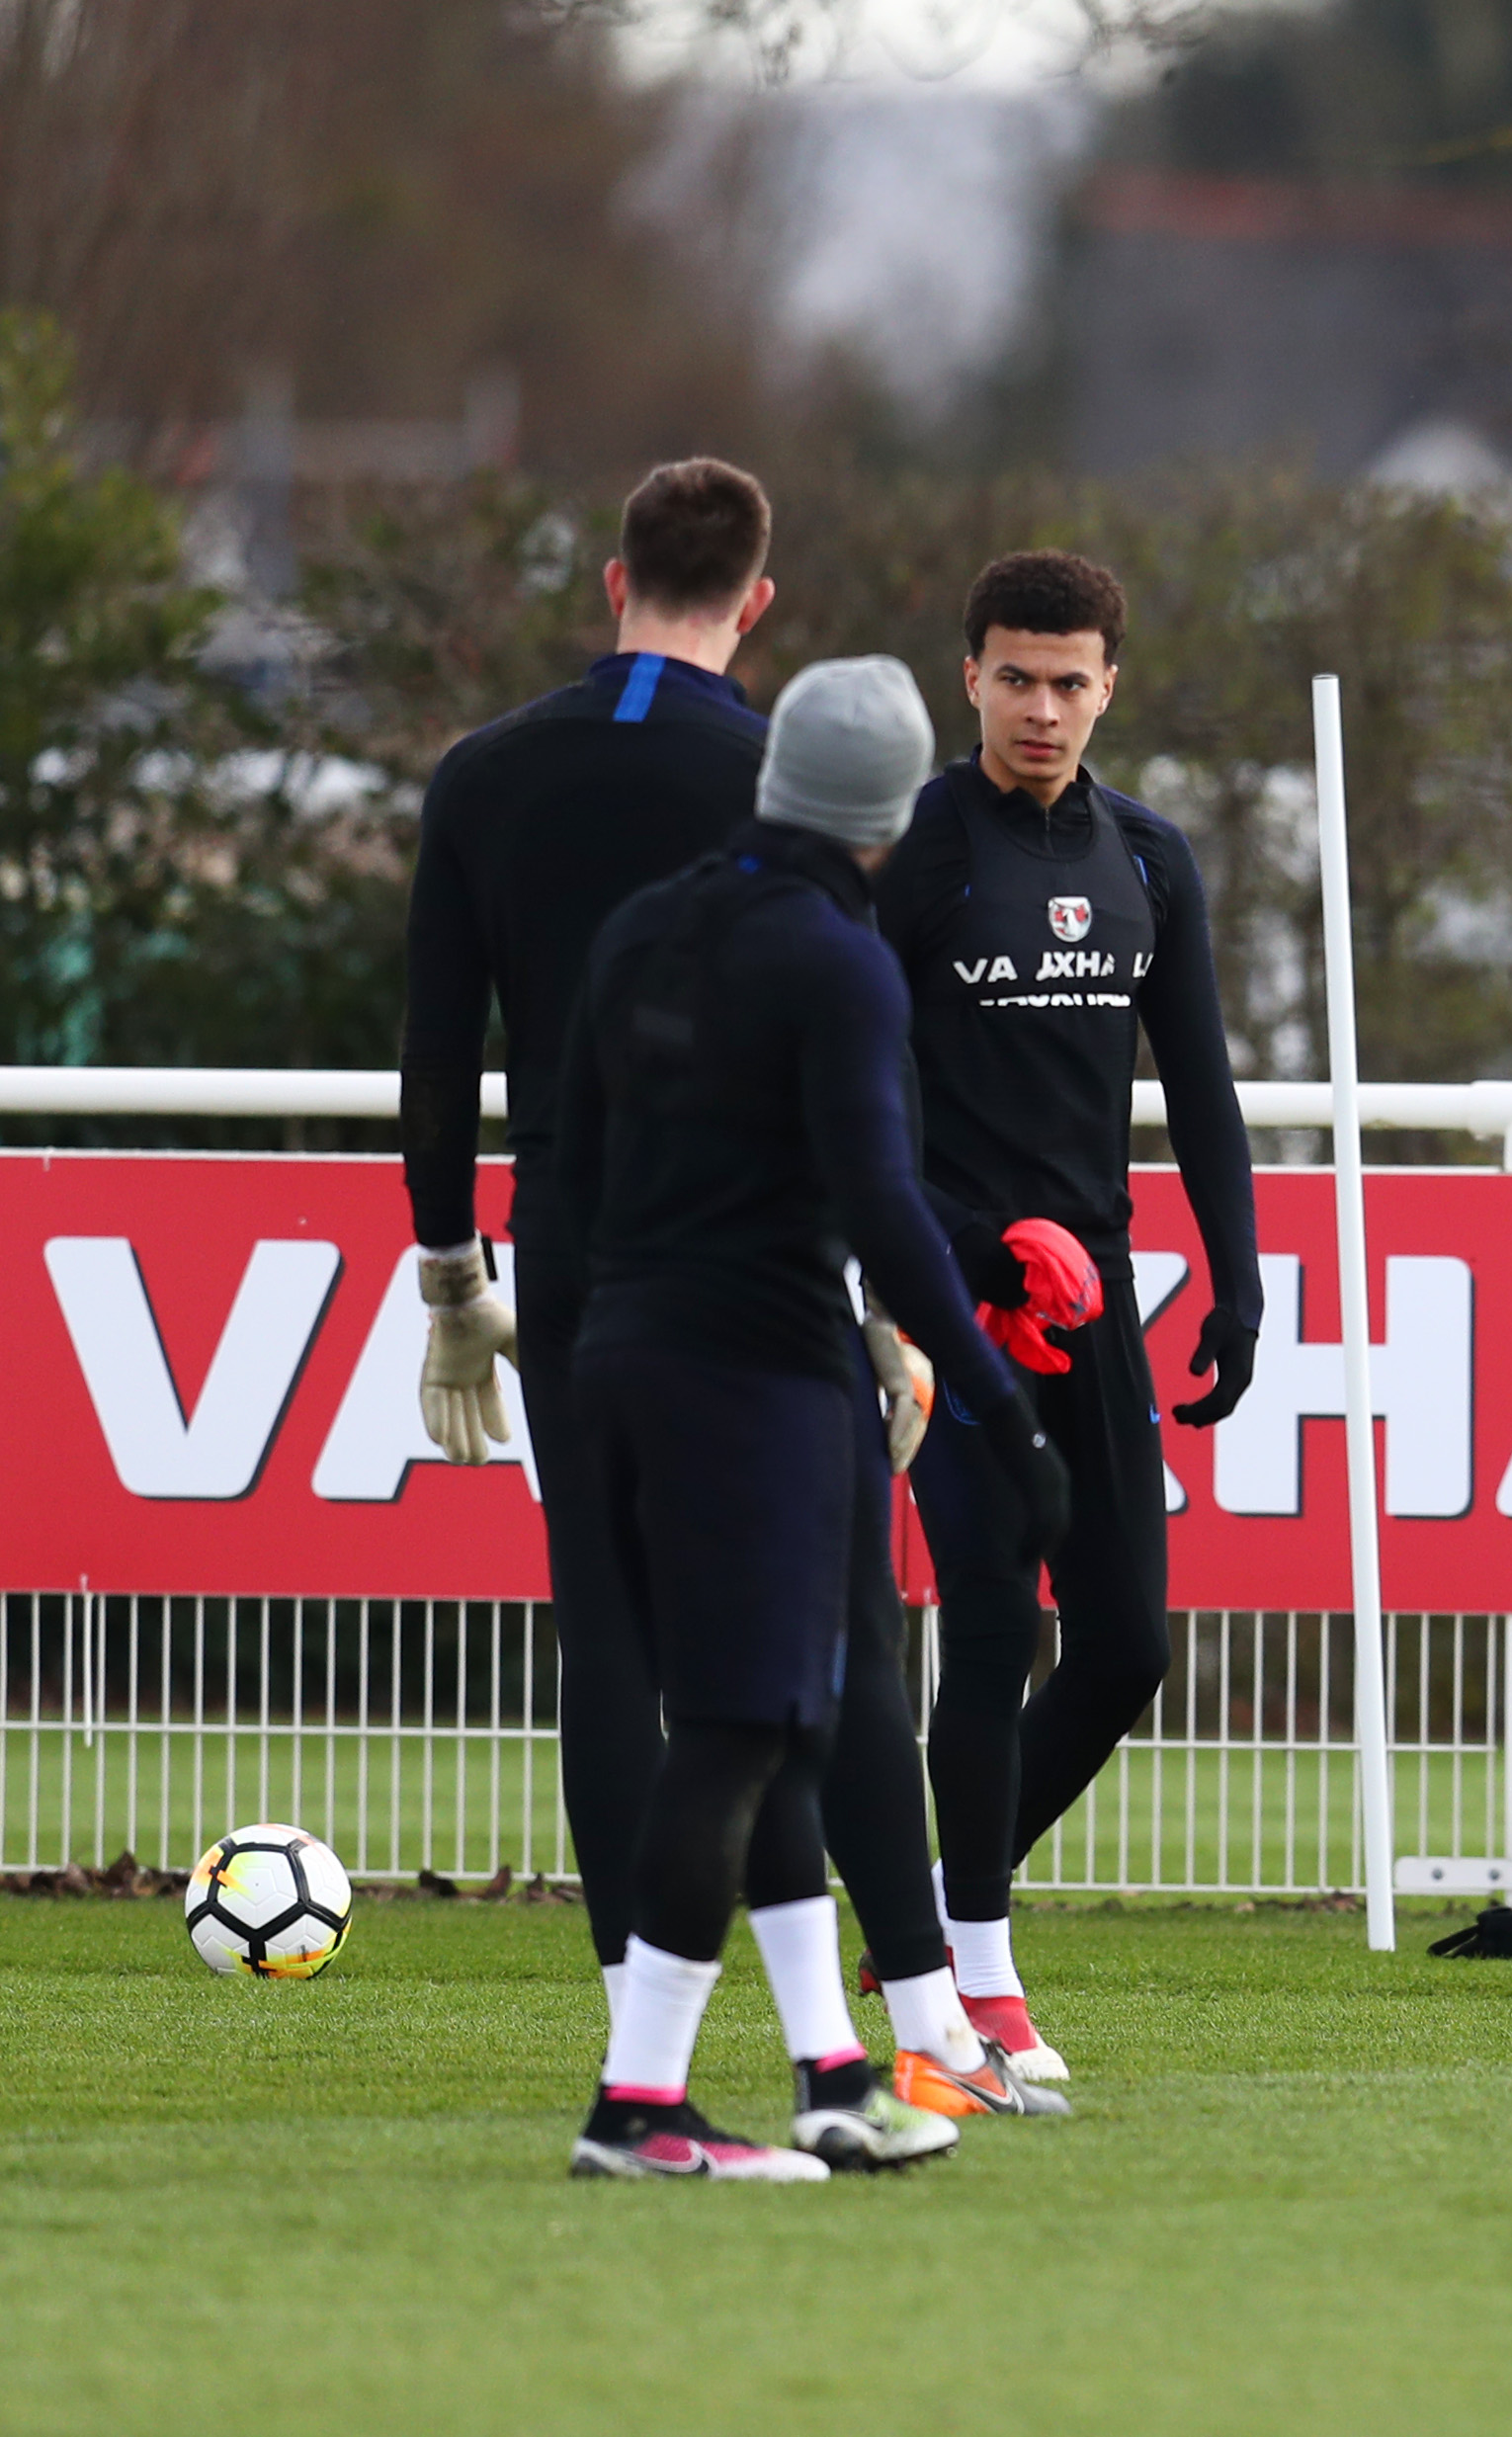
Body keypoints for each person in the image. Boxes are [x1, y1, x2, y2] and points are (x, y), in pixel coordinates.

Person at [398, 462, 1050, 2156]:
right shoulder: (770, 790)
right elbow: (867, 1122)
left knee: (613, 1646)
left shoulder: (484, 776)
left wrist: (451, 1269)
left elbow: (434, 1052)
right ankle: (902, 2034)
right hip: (761, 1269)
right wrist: (921, 1332)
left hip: (574, 1247)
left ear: (611, 577)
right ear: (755, 601)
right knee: (822, 1649)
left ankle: (666, 2034)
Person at [558, 656, 1072, 2180]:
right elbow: (881, 1203)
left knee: (774, 1720)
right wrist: (997, 1405)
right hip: (761, 1370)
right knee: (737, 1728)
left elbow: (574, 1169)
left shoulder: (642, 926)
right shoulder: (838, 959)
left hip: (620, 1352)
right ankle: (639, 2102)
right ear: (884, 813)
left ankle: (833, 2073)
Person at [880, 550, 1264, 2081]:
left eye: (1071, 680)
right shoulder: (910, 849)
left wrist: (1238, 1274)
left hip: (1093, 1300)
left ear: (1113, 685)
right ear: (966, 676)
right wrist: (974, 1245)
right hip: (946, 1301)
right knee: (990, 1623)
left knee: (1123, 1649)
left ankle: (920, 1903)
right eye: (1016, 677)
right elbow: (860, 1100)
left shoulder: (1152, 859)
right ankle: (978, 1976)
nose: (1043, 707)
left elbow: (1208, 1089)